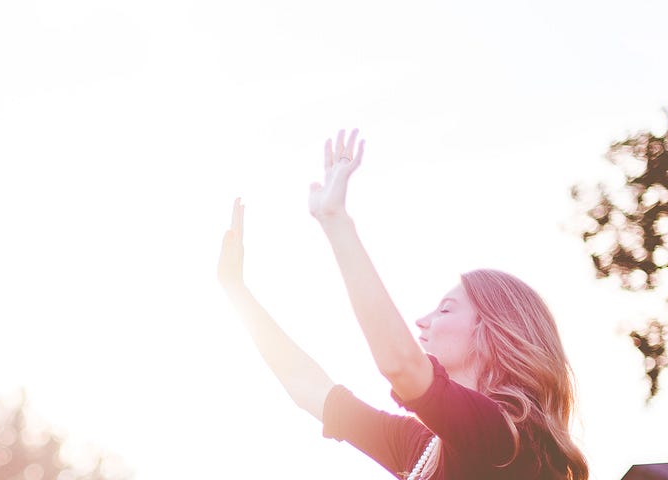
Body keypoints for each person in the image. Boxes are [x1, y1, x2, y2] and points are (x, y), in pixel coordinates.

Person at [215, 129, 588, 479]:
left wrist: (335, 220)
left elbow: (400, 364)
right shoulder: (422, 448)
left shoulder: (507, 440)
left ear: (494, 334)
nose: (422, 321)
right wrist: (237, 292)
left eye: (445, 309)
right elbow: (306, 386)